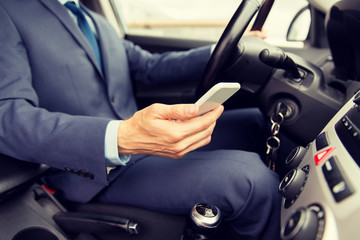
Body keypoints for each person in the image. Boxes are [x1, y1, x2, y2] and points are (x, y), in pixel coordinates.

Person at [0, 0, 282, 239]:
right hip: (89, 171)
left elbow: (148, 67)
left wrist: (223, 48)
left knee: (258, 122)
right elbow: (7, 117)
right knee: (253, 181)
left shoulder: (95, 20)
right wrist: (120, 137)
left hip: (142, 144)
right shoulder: (8, 12)